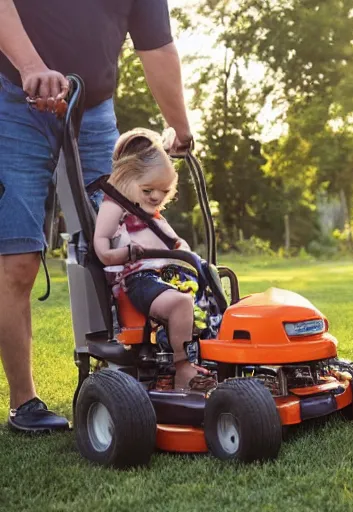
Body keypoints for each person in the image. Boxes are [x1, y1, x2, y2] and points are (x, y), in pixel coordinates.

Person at [1, 0, 192, 432]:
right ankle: (24, 402)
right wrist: (31, 66)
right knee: (17, 260)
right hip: (11, 101)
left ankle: (133, 373)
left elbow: (157, 47)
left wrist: (179, 127)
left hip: (94, 109)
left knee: (125, 232)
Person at [94, 128, 210, 391]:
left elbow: (176, 244)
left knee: (214, 304)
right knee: (181, 304)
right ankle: (183, 369)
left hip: (167, 276)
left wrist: (186, 254)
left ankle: (212, 364)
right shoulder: (116, 207)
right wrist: (124, 254)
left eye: (164, 191)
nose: (157, 197)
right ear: (125, 178)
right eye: (148, 190)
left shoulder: (154, 216)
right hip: (140, 279)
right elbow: (101, 247)